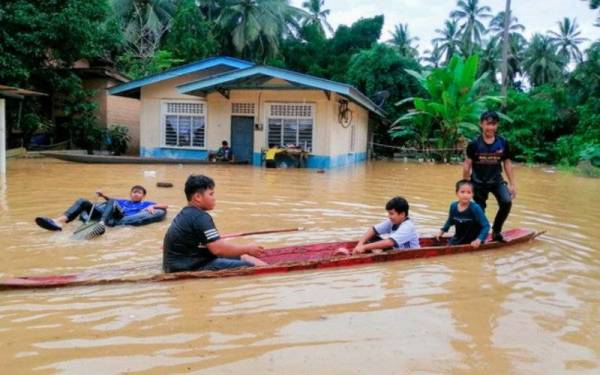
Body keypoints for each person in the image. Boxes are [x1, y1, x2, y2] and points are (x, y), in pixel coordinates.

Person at [162, 174, 266, 273]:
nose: (214, 198)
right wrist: (247, 248)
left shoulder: (186, 213)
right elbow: (218, 249)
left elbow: (214, 246)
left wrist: (244, 252)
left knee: (243, 256)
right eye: (211, 194)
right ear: (198, 197)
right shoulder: (200, 217)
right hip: (187, 267)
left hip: (174, 265)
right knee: (248, 266)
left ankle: (263, 265)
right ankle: (269, 269)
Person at [463, 110, 516, 242]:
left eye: (493, 124)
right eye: (488, 124)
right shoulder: (474, 143)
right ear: (481, 124)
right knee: (479, 211)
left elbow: (507, 163)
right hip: (478, 183)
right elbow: (467, 165)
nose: (490, 128)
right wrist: (466, 185)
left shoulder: (503, 142)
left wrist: (512, 184)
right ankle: (477, 234)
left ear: (497, 125)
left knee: (506, 202)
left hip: (496, 181)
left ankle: (496, 231)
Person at [35, 185, 167, 236]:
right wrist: (102, 195)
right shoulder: (123, 200)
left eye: (139, 193)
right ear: (130, 193)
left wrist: (153, 206)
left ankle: (101, 224)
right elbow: (110, 200)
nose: (136, 194)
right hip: (109, 213)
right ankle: (59, 222)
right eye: (134, 192)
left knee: (112, 201)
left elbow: (166, 206)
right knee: (83, 201)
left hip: (120, 217)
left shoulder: (146, 203)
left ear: (143, 195)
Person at [349, 196, 420, 255]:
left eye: (391, 214)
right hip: (395, 250)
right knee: (371, 236)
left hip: (408, 254)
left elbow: (390, 242)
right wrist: (359, 244)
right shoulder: (392, 221)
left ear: (402, 214)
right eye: (389, 213)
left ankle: (377, 252)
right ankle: (377, 251)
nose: (389, 216)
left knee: (382, 243)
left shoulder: (407, 227)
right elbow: (373, 229)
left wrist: (364, 247)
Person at [435, 180, 490, 248]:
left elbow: (486, 226)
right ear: (457, 193)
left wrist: (479, 239)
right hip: (458, 238)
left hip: (473, 241)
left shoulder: (475, 208)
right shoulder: (453, 206)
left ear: (472, 194)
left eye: (469, 192)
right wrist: (441, 231)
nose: (465, 195)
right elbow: (450, 220)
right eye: (462, 192)